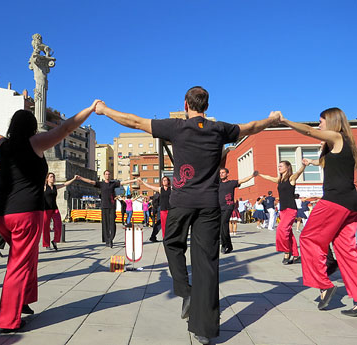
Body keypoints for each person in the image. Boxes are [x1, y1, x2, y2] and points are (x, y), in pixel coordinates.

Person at [93, 86, 280, 344]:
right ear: (207, 107)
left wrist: (104, 110)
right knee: (206, 262)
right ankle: (204, 331)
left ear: (185, 105)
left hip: (182, 202)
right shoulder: (220, 129)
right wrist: (272, 120)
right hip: (209, 204)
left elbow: (134, 121)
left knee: (172, 243)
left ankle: (184, 290)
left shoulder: (176, 127)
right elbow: (251, 127)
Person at [0, 101, 98, 333]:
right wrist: (89, 109)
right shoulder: (34, 143)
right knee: (18, 264)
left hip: (1, 215)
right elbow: (65, 129)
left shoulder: (3, 145)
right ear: (33, 127)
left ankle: (23, 300)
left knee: (27, 256)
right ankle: (7, 321)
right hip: (25, 213)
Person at [280, 108, 357, 315]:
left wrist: (285, 120)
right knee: (346, 250)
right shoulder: (345, 145)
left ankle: (324, 284)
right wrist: (312, 162)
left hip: (334, 200)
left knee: (308, 239)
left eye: (320, 121)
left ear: (331, 121)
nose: (318, 125)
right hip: (350, 203)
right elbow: (327, 163)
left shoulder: (336, 136)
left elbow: (307, 131)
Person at [259, 160, 306, 265]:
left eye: (281, 166)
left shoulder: (291, 178)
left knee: (281, 229)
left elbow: (298, 172)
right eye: (278, 166)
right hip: (283, 210)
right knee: (288, 233)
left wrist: (303, 165)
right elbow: (269, 177)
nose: (279, 167)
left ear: (287, 167)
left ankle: (287, 251)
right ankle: (296, 255)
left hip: (291, 209)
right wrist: (259, 174)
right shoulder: (279, 180)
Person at [77, 171, 136, 248]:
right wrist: (80, 178)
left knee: (112, 223)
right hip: (104, 206)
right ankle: (107, 240)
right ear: (104, 175)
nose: (107, 175)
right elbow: (90, 181)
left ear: (110, 175)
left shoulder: (113, 184)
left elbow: (123, 183)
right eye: (106, 174)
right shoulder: (101, 184)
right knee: (105, 224)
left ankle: (111, 239)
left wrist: (134, 180)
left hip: (111, 206)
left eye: (109, 174)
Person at [218, 168, 257, 254]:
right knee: (221, 227)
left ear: (227, 174)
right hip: (219, 207)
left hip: (228, 206)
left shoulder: (231, 183)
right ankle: (229, 245)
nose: (221, 174)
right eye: (220, 173)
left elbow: (242, 180)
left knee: (224, 224)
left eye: (223, 172)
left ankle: (224, 245)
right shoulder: (217, 184)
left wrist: (252, 176)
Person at [43, 172, 76, 251]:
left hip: (55, 209)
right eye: (51, 177)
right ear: (47, 178)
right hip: (46, 209)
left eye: (53, 177)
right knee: (46, 228)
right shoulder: (44, 187)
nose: (52, 178)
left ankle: (55, 241)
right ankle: (47, 244)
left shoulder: (55, 187)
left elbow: (65, 184)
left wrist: (74, 179)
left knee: (58, 225)